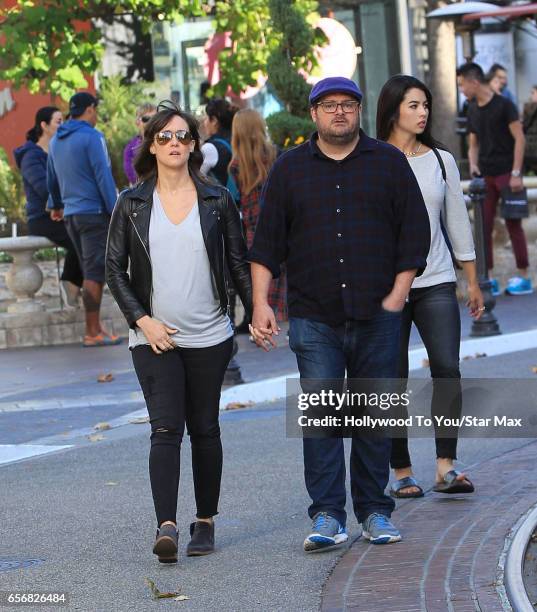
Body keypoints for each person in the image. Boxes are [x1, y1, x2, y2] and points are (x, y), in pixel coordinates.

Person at [248, 76, 430, 550]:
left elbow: (415, 233)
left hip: (380, 315)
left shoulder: (388, 162)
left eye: (348, 104)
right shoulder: (289, 170)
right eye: (329, 105)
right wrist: (261, 302)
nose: (339, 113)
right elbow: (266, 244)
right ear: (314, 114)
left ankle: (374, 512)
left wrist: (398, 294)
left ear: (359, 111)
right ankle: (328, 515)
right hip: (314, 317)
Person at [105, 101, 252, 563]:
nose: (174, 143)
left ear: (195, 145)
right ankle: (165, 525)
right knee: (165, 428)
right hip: (153, 338)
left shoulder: (217, 199)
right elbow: (113, 268)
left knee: (205, 428)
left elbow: (236, 261)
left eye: (183, 136)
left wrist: (258, 308)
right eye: (164, 136)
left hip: (210, 334)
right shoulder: (131, 204)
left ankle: (204, 521)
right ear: (151, 144)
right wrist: (141, 320)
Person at [376, 75, 484, 498]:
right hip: (387, 289)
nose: (423, 113)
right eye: (414, 106)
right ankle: (401, 470)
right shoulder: (372, 159)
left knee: (447, 369)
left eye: (425, 105)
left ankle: (446, 465)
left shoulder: (441, 160)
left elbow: (457, 222)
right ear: (393, 110)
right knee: (392, 378)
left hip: (437, 279)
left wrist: (471, 282)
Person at [47, 92, 120, 346]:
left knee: (90, 270)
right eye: (95, 110)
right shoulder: (92, 137)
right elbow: (103, 175)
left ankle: (94, 328)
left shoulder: (57, 139)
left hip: (71, 215)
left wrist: (55, 204)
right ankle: (92, 332)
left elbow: (51, 176)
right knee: (94, 272)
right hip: (93, 214)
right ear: (90, 109)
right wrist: (114, 210)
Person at [457, 63, 531, 296]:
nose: (461, 90)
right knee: (483, 226)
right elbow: (473, 144)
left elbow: (520, 139)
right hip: (485, 176)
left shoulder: (504, 105)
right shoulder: (472, 109)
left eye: (461, 84)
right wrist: (473, 163)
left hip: (508, 174)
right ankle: (488, 278)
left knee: (513, 224)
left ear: (474, 82)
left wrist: (517, 173)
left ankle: (524, 276)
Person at [14, 107, 83, 307]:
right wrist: (61, 205)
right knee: (79, 236)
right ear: (44, 126)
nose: (63, 126)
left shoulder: (59, 152)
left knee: (90, 233)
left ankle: (74, 284)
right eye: (58, 121)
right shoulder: (31, 156)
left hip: (66, 212)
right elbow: (44, 189)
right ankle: (70, 284)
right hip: (42, 218)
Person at [229, 109, 287, 325]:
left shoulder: (236, 165)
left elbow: (235, 198)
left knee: (261, 273)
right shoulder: (276, 155)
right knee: (282, 275)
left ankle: (264, 319)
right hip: (280, 221)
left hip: (253, 226)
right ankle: (283, 315)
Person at [123, 103, 157, 186]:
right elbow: (133, 177)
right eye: (146, 119)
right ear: (138, 122)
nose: (151, 122)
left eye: (155, 118)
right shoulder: (131, 148)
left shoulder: (167, 142)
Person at [523, 85, 537, 174]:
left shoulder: (528, 107)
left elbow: (524, 125)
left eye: (533, 93)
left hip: (528, 149)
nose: (531, 96)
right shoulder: (529, 107)